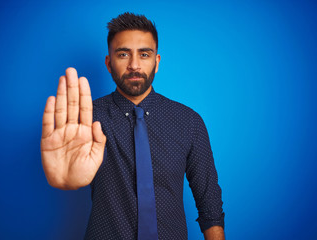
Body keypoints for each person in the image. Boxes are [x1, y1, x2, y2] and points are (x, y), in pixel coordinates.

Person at [41, 12, 225, 240]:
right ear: (109, 63)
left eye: (144, 54)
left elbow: (209, 201)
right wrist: (66, 180)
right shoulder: (85, 120)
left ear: (156, 62)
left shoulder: (189, 121)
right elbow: (69, 170)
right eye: (123, 54)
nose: (134, 65)